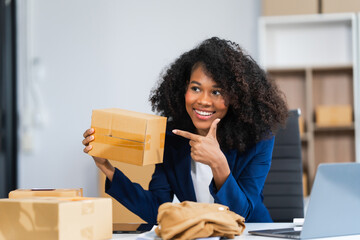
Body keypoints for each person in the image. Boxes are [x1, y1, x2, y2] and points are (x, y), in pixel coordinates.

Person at [82, 37, 288, 224]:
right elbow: (158, 210)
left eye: (216, 92)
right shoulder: (172, 137)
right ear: (184, 89)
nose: (203, 101)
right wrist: (108, 169)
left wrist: (218, 164)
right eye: (196, 88)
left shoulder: (259, 140)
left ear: (236, 98)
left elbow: (242, 214)